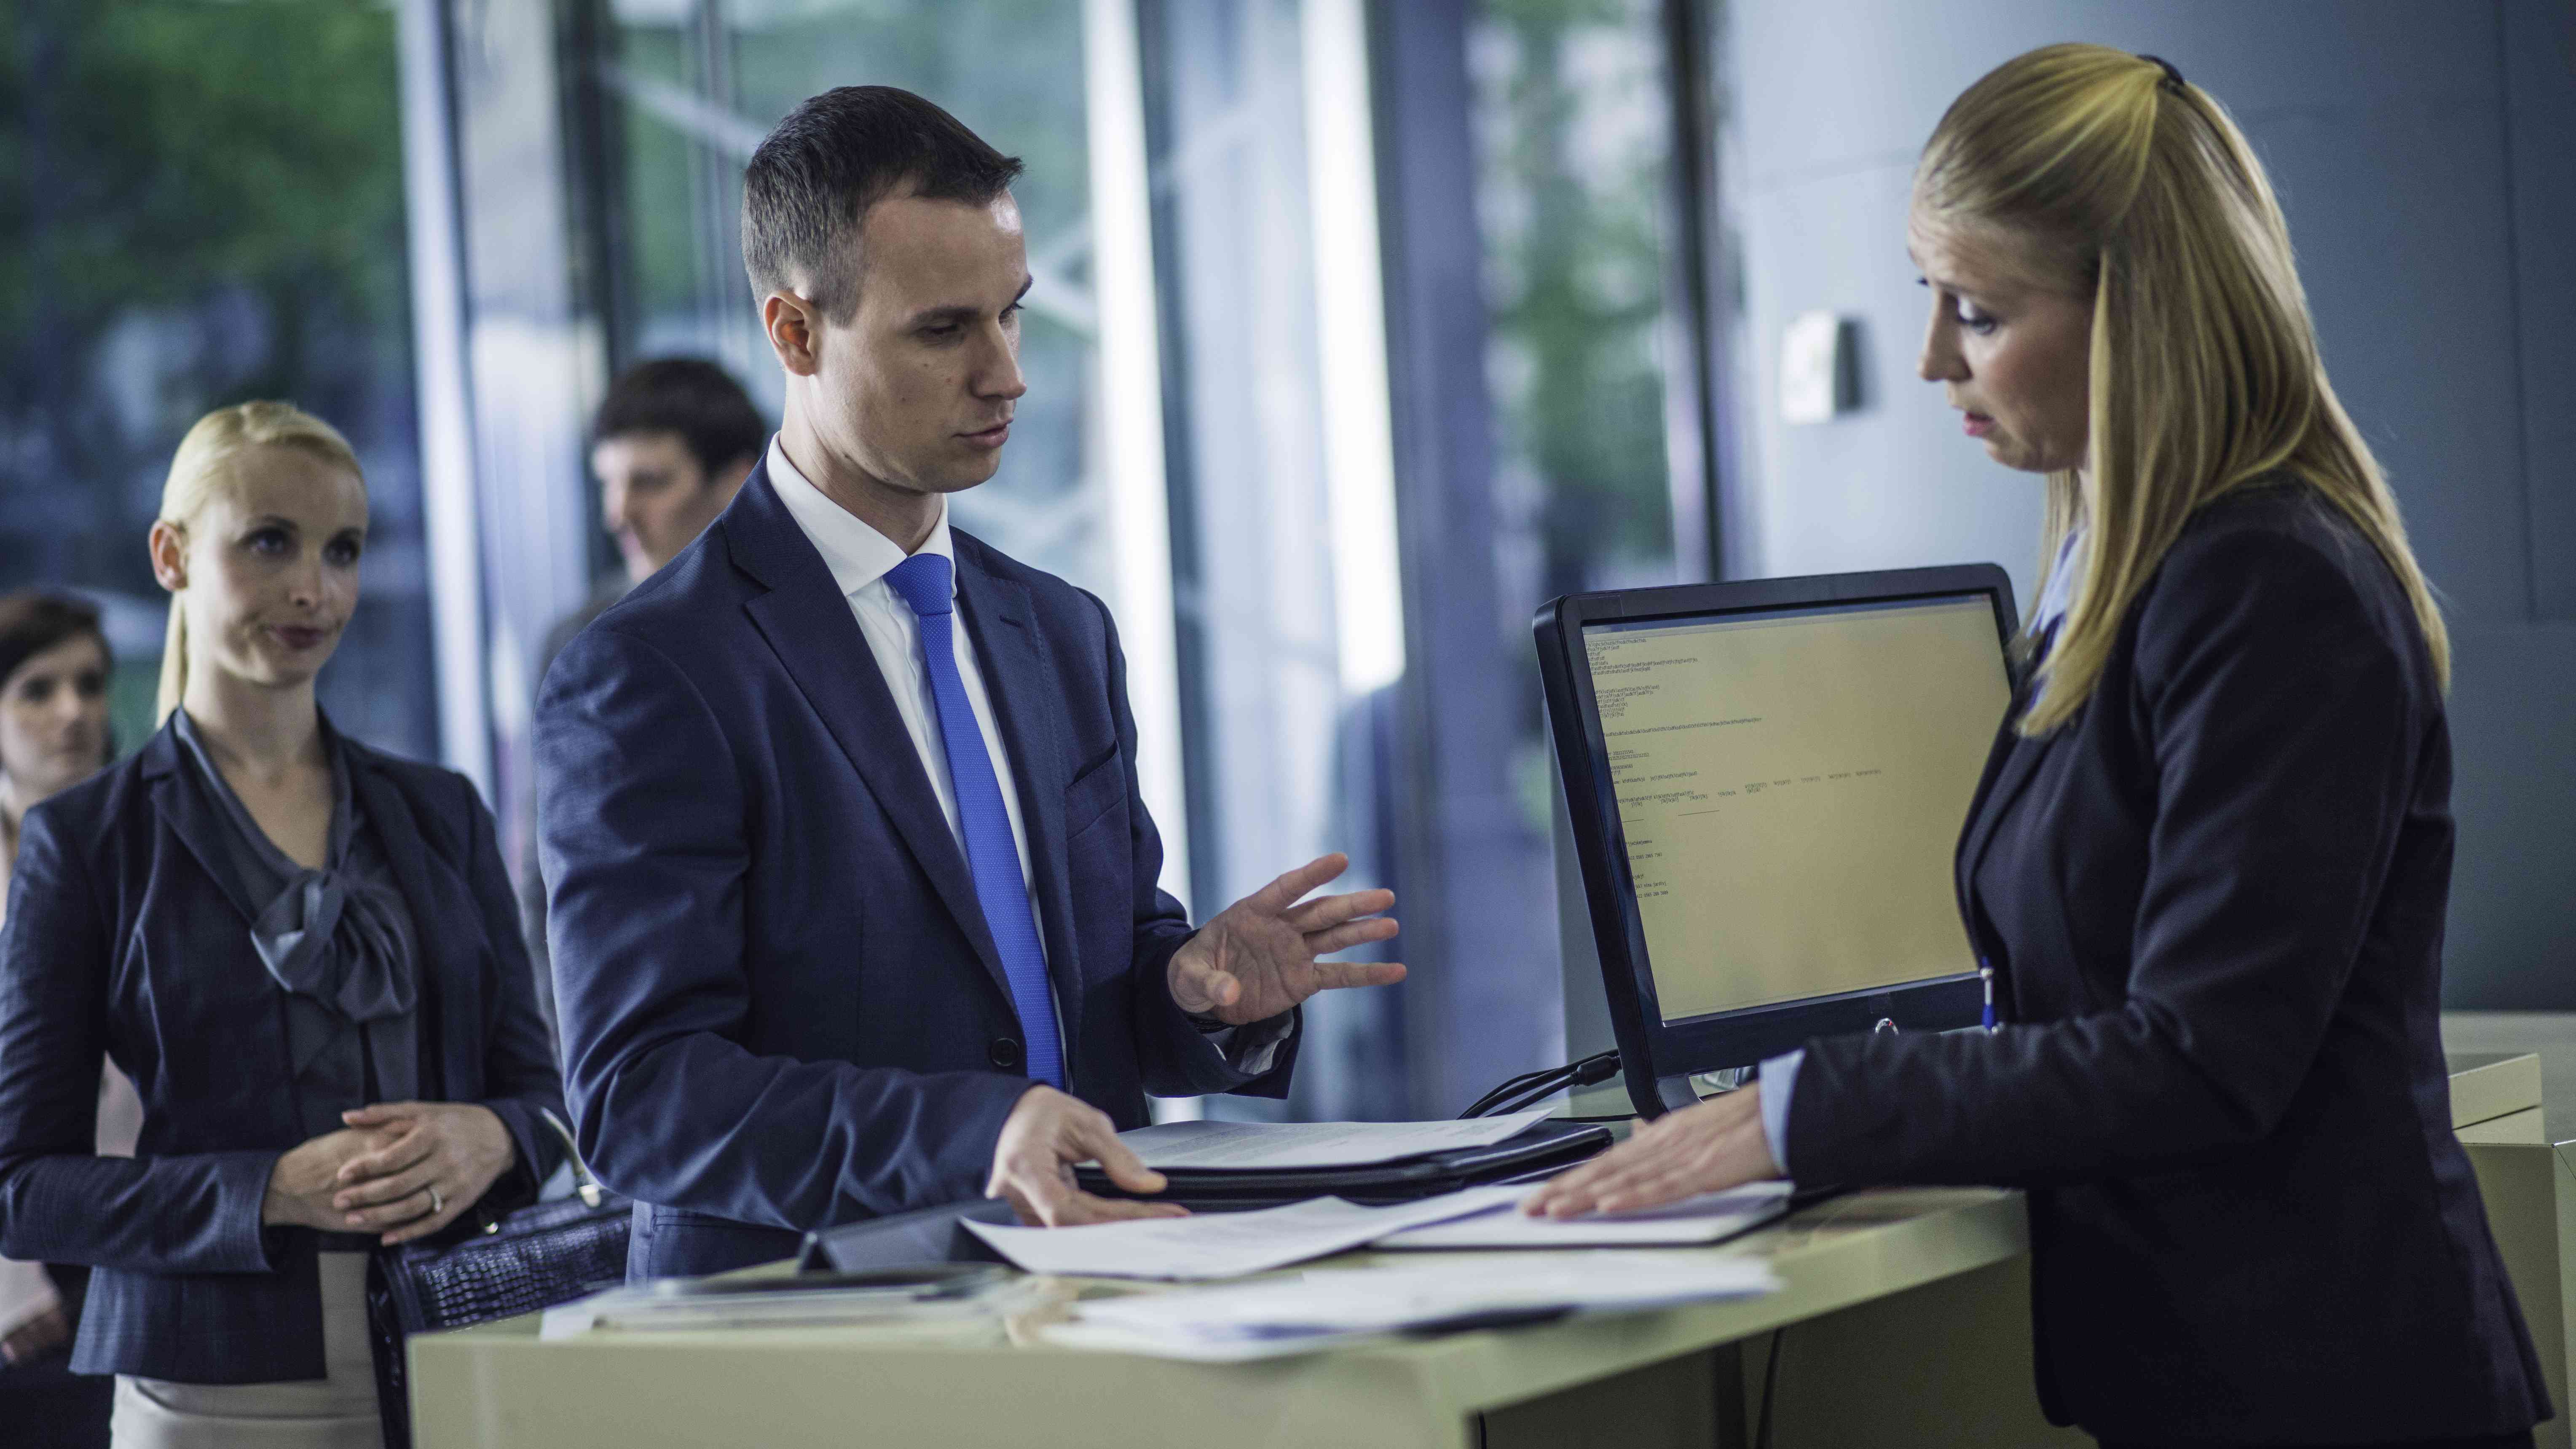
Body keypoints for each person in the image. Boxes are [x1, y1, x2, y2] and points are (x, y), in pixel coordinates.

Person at [1528, 44, 2547, 1449]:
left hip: (2331, 1399)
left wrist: (1818, 1107)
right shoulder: (2119, 577)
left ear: (2141, 316)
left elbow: (2202, 1056)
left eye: (1979, 311)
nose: (1933, 359)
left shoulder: (2268, 583)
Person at [537, 85, 1406, 1278]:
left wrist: (1192, 991)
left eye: (1012, 315)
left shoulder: (1059, 631)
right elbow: (642, 1096)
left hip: (1097, 1288)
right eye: (945, 331)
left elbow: (1084, 993)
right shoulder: (651, 671)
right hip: (810, 1328)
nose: (1006, 375)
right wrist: (975, 1134)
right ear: (795, 334)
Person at [0, 402, 566, 1448]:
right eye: (270, 542)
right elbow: (23, 1187)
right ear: (171, 555)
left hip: (467, 1356)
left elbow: (543, 1093)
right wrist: (264, 1192)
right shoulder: (86, 840)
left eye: (342, 549)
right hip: (211, 1398)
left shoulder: (441, 812)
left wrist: (494, 1135)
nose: (316, 588)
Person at [520, 359, 768, 1040]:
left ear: (736, 480)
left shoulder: (805, 627)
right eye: (609, 482)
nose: (618, 514)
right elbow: (544, 879)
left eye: (650, 482)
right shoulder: (578, 642)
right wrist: (568, 1056)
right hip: (630, 1035)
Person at [0, 591, 134, 1447]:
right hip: (25, 1275)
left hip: (146, 1231)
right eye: (37, 690)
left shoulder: (154, 846)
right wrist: (9, 1285)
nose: (73, 711)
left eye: (89, 683)